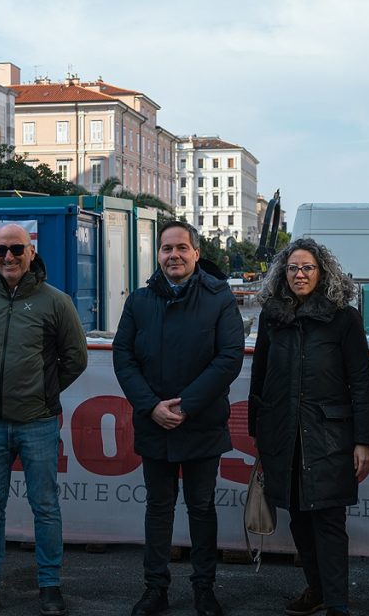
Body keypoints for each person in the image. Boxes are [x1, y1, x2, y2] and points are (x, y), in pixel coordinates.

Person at [0, 223, 88, 616]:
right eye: (0, 251)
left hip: (37, 422)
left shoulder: (55, 302)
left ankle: (50, 587)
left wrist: (43, 393)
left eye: (15, 249)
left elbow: (76, 358)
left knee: (45, 506)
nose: (8, 257)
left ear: (31, 252)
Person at [113, 221, 244, 616]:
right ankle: (156, 589)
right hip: (154, 423)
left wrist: (186, 405)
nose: (175, 255)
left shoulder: (220, 298)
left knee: (202, 509)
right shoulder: (138, 301)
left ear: (196, 253)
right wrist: (151, 406)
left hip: (201, 424)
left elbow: (229, 358)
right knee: (159, 507)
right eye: (167, 248)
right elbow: (124, 356)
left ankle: (204, 588)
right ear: (159, 255)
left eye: (182, 248)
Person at [248, 238, 369, 616]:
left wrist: (363, 440)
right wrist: (259, 433)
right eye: (292, 268)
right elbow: (260, 376)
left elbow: (361, 381)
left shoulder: (343, 317)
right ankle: (317, 590)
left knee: (329, 523)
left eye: (307, 268)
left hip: (329, 436)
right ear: (282, 274)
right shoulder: (272, 317)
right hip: (283, 434)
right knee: (299, 520)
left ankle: (337, 603)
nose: (299, 274)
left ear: (323, 273)